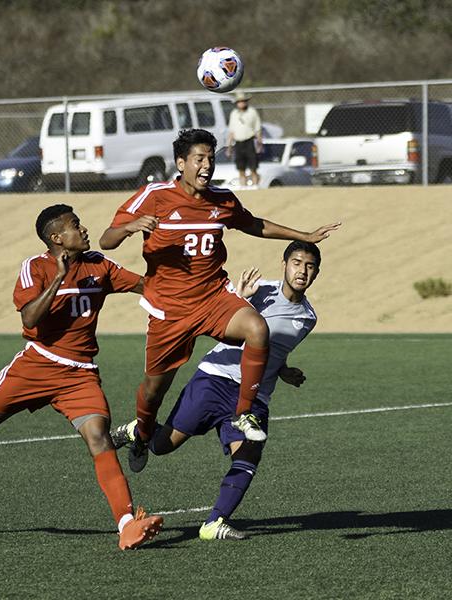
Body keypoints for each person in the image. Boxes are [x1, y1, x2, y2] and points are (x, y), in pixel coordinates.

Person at [0, 204, 163, 551]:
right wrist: (57, 279)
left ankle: (127, 524)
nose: (83, 230)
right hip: (37, 366)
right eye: (74, 226)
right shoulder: (35, 267)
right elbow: (30, 319)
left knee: (99, 437)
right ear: (56, 238)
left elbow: (147, 286)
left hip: (79, 375)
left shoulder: (99, 264)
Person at [99, 128, 340, 473]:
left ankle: (243, 415)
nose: (207, 165)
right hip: (169, 310)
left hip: (213, 296)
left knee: (257, 329)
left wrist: (303, 235)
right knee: (153, 391)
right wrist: (131, 226)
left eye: (211, 158)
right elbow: (107, 241)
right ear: (181, 163)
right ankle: (140, 432)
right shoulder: (154, 195)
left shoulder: (221, 200)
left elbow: (254, 224)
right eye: (199, 158)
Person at [112, 241, 322, 540]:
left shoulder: (307, 318)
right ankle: (139, 431)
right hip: (215, 379)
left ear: (316, 272)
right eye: (297, 262)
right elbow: (223, 317)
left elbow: (273, 350)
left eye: (310, 266)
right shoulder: (260, 290)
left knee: (249, 455)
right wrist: (241, 298)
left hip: (255, 396)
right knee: (161, 446)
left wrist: (285, 370)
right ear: (284, 263)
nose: (302, 270)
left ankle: (214, 523)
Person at [226, 91, 263, 188]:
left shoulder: (252, 112)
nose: (241, 103)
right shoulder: (234, 114)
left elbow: (257, 128)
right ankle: (243, 186)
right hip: (238, 143)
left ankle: (255, 185)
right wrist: (229, 146)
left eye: (243, 101)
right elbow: (231, 131)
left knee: (253, 166)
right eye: (239, 101)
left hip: (249, 141)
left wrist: (259, 143)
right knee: (240, 167)